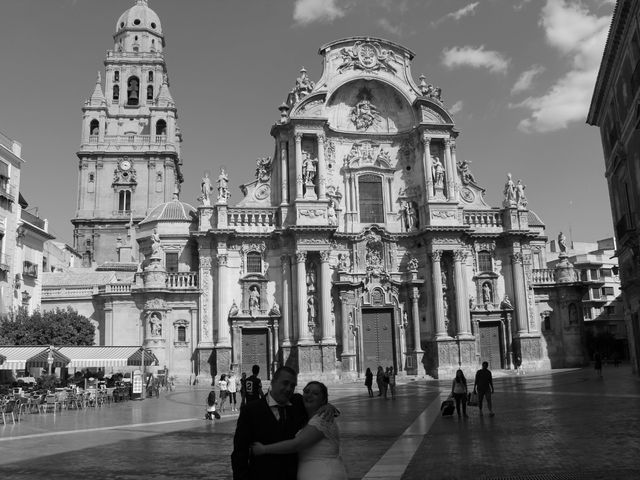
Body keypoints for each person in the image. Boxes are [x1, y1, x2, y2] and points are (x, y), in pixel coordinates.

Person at [232, 366, 337, 480]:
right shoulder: (251, 410)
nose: (288, 389)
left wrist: (328, 406)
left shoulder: (297, 402)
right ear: (273, 382)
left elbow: (316, 404)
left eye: (292, 386)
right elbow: (239, 454)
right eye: (285, 383)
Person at [251, 381, 348, 480]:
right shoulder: (301, 412)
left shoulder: (323, 418)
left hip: (326, 474)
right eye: (306, 391)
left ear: (323, 400)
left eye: (315, 393)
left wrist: (264, 449)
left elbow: (297, 444)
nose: (309, 395)